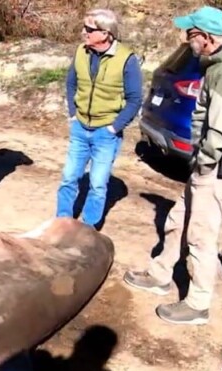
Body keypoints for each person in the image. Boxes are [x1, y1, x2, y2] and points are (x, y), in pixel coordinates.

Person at [123, 6, 222, 325]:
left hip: (217, 168)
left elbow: (221, 130)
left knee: (200, 234)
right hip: (209, 164)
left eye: (190, 33)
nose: (186, 39)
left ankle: (198, 304)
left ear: (206, 37)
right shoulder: (219, 66)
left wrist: (203, 165)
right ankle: (160, 275)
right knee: (178, 219)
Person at [56, 7, 143, 230]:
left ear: (105, 33)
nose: (84, 33)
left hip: (106, 133)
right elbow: (70, 83)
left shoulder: (126, 59)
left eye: (89, 29)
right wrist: (73, 115)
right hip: (80, 127)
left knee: (97, 184)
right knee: (69, 177)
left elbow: (134, 99)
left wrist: (114, 128)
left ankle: (88, 229)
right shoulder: (80, 52)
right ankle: (62, 223)